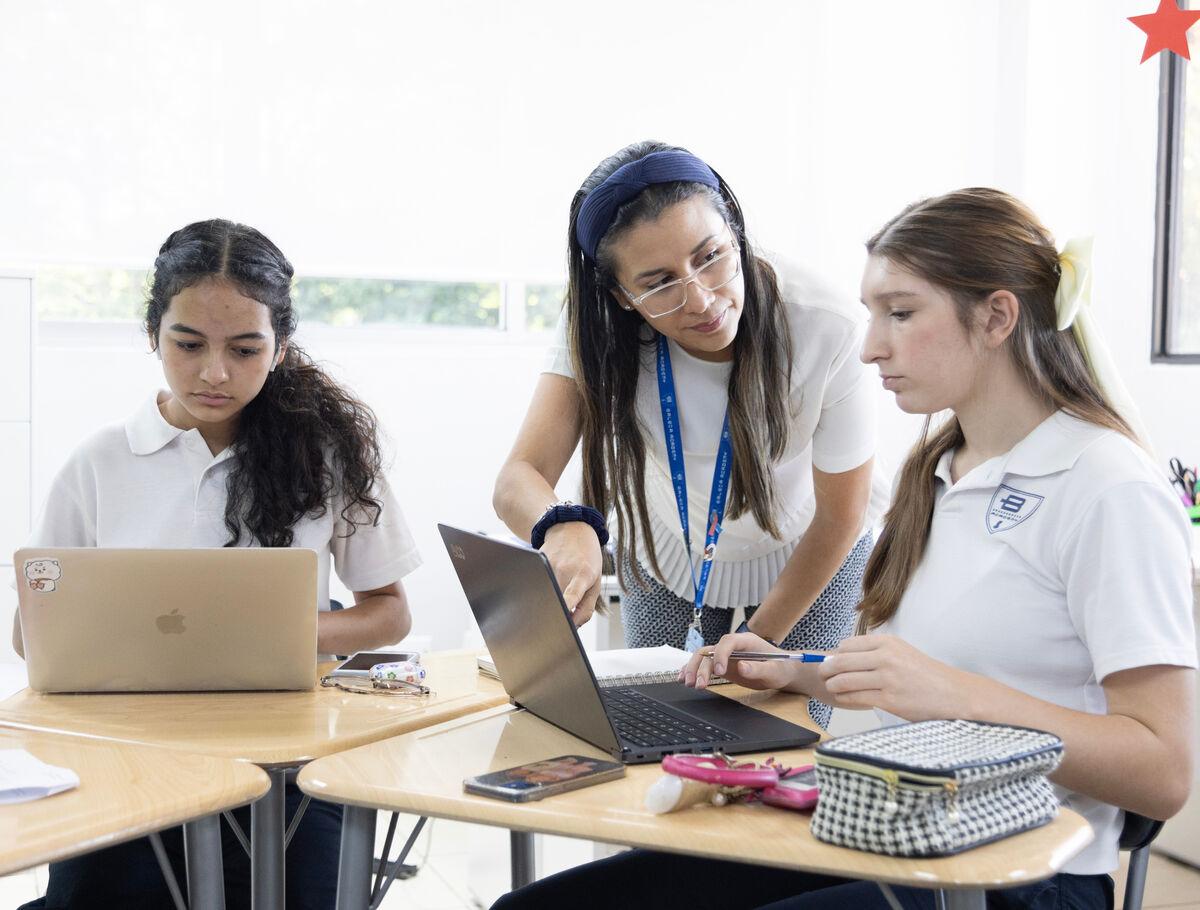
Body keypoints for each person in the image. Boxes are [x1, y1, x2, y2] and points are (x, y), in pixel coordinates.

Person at [492, 188, 1196, 910]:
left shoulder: (1108, 488)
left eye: (899, 312)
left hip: (1020, 872)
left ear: (997, 316)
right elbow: (911, 679)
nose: (869, 347)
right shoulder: (940, 474)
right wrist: (790, 671)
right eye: (870, 315)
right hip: (890, 832)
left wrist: (958, 698)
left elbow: (1163, 771)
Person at [13, 219, 421, 910]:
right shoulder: (99, 463)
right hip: (132, 756)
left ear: (280, 346)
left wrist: (281, 633)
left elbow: (390, 612)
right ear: (153, 335)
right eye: (189, 344)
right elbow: (32, 637)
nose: (214, 373)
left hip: (290, 759)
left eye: (245, 349)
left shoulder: (329, 455)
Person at [493, 141, 887, 727]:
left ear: (736, 232)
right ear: (622, 297)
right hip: (665, 546)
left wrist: (755, 641)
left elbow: (840, 516)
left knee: (783, 735)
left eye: (711, 257)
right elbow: (516, 480)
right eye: (658, 283)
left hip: (809, 546)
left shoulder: (824, 324)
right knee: (650, 725)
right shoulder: (596, 329)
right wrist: (563, 523)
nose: (701, 299)